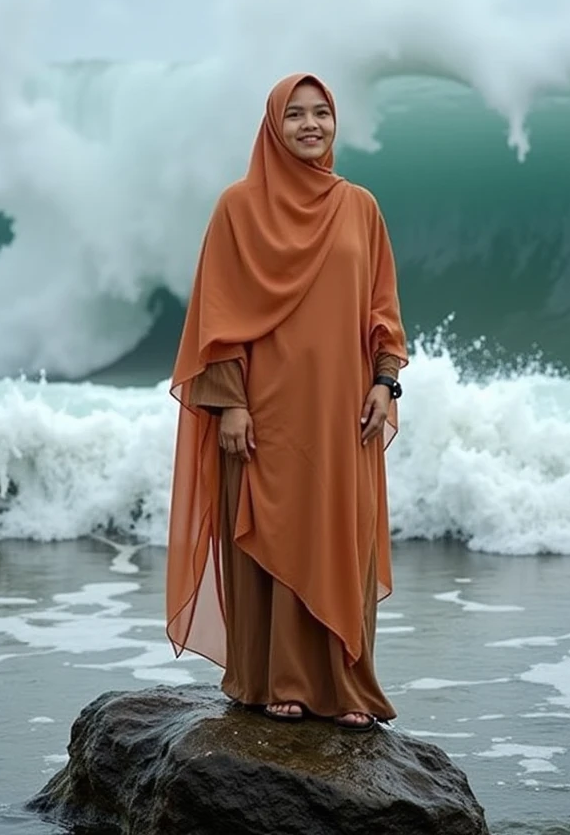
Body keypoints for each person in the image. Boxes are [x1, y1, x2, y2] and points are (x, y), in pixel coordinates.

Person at [166, 73, 408, 731]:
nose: (310, 124)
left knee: (339, 536)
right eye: (295, 114)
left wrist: (386, 382)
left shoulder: (361, 207)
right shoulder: (237, 208)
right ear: (274, 125)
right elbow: (214, 316)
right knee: (266, 535)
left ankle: (345, 685)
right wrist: (230, 404)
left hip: (341, 416)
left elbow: (383, 311)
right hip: (262, 412)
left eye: (321, 113)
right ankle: (275, 679)